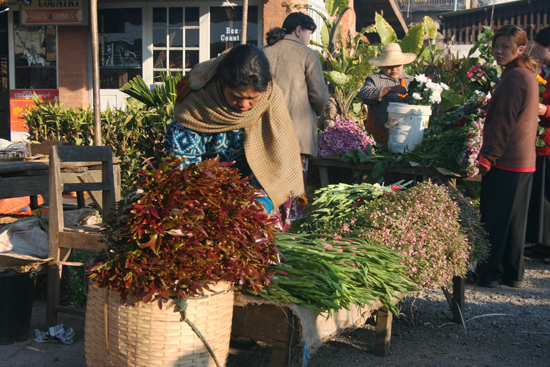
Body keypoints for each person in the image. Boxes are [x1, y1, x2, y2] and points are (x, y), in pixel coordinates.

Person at [164, 44, 305, 219]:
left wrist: (263, 202)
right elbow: (184, 172)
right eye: (236, 97)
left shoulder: (270, 100)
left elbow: (276, 158)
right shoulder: (196, 104)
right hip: (201, 197)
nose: (244, 105)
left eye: (252, 98)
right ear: (221, 82)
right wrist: (203, 205)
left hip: (249, 194)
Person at [475, 25, 539, 288]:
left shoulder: (514, 78)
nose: (498, 51)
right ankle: (512, 273)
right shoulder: (525, 74)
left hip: (508, 160)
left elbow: (503, 122)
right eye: (496, 46)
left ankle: (488, 273)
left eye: (505, 46)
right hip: (523, 161)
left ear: (520, 49)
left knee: (495, 219)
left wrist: (489, 156)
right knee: (514, 222)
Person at [263, 12, 329, 219]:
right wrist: (319, 111)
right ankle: (289, 235)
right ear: (299, 30)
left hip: (264, 135)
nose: (309, 39)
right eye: (309, 33)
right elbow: (319, 96)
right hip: (296, 137)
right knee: (293, 193)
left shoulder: (263, 52)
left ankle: (267, 231)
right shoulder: (307, 55)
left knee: (267, 187)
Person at [359, 43, 416, 145]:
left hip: (407, 132)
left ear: (403, 64)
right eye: (389, 66)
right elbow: (364, 95)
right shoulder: (374, 79)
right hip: (380, 133)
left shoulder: (410, 80)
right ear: (382, 65)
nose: (394, 69)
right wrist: (389, 89)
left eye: (397, 65)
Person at [525, 26, 550, 262]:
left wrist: (546, 109)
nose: (539, 54)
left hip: (549, 141)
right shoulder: (543, 72)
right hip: (540, 141)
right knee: (541, 194)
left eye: (541, 50)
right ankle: (542, 243)